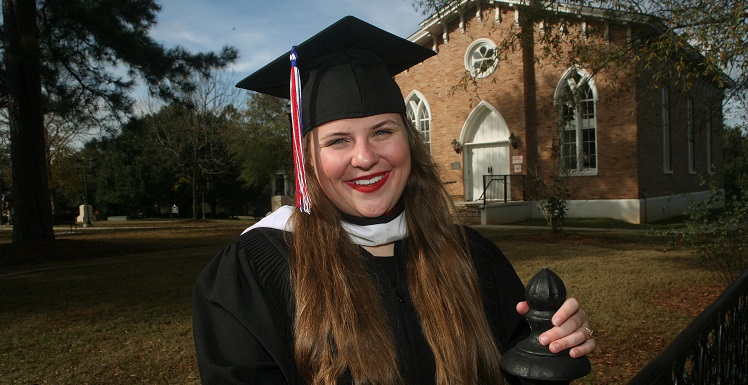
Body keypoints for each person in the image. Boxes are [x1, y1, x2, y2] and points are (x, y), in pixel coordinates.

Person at [193, 16, 596, 385]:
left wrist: (550, 344)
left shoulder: (474, 259)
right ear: (307, 161)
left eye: (383, 131)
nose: (366, 157)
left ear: (409, 140)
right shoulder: (254, 273)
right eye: (338, 141)